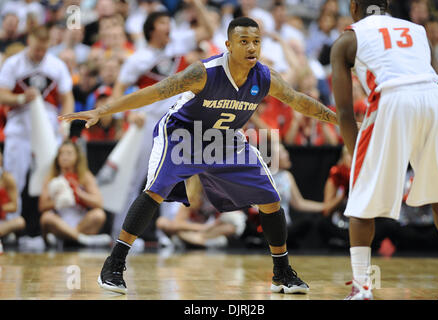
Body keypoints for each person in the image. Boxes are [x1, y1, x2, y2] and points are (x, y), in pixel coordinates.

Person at [60, 17, 338, 295]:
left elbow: (299, 100)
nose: (252, 48)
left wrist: (340, 120)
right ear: (228, 45)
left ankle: (281, 272)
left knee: (270, 198)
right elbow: (155, 93)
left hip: (224, 138)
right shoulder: (203, 72)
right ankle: (114, 263)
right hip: (182, 133)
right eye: (244, 42)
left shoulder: (265, 77)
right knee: (155, 190)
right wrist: (102, 111)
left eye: (256, 42)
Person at [330, 0, 438, 300]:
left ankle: (362, 288)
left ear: (354, 6)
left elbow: (345, 111)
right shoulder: (417, 29)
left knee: (361, 197)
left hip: (393, 98)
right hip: (434, 99)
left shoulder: (349, 38)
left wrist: (358, 158)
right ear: (386, 5)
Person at [111, 7, 214, 239]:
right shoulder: (138, 59)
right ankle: (121, 234)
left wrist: (196, 4)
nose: (169, 26)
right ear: (151, 29)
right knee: (135, 179)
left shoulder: (179, 44)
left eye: (170, 21)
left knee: (175, 179)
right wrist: (126, 115)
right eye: (163, 22)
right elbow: (119, 88)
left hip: (177, 122)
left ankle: (169, 234)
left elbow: (208, 30)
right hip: (147, 124)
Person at [0, 25, 74, 222]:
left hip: (48, 129)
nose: (40, 53)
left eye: (44, 49)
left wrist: (65, 122)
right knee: (15, 178)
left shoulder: (56, 65)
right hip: (20, 127)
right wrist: (21, 99)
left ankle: (48, 226)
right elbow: (2, 94)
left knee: (50, 179)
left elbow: (67, 97)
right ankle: (11, 224)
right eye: (37, 49)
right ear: (29, 42)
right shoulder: (13, 64)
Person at [38, 140, 111, 247]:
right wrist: (60, 200)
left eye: (69, 153)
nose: (64, 157)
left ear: (77, 157)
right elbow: (42, 206)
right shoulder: (51, 177)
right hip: (59, 220)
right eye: (61, 153)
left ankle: (68, 236)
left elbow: (99, 202)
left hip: (80, 221)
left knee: (99, 215)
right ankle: (82, 239)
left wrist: (78, 193)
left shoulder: (85, 176)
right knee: (46, 218)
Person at [0, 151, 21, 254]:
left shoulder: (7, 178)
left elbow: (14, 206)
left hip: (3, 220)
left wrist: (1, 208)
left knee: (20, 222)